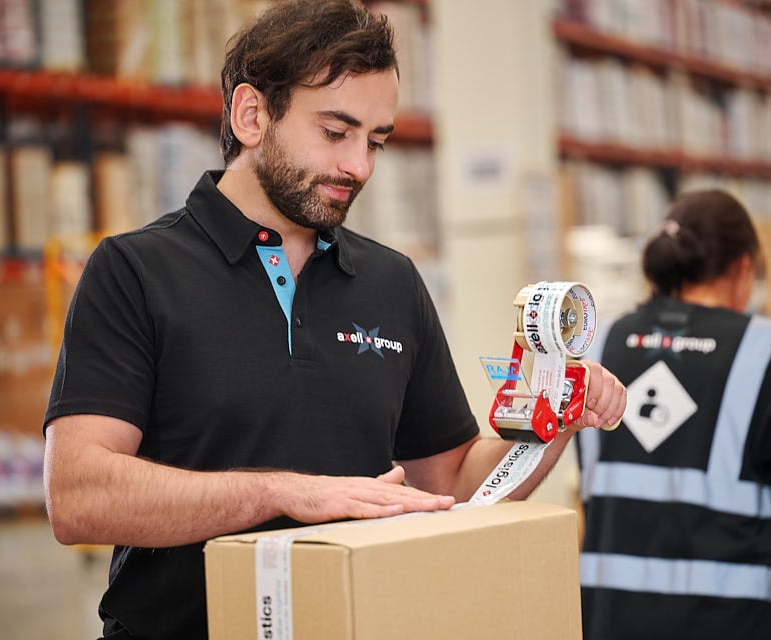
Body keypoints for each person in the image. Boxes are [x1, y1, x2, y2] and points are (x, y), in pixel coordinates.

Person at [41, 2, 627, 639]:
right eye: (335, 132)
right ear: (251, 115)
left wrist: (554, 416)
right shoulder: (134, 271)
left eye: (375, 140)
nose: (360, 167)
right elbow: (78, 495)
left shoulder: (392, 282)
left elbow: (452, 483)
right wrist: (281, 493)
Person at [575, 189, 771, 639]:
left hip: (608, 622)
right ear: (743, 268)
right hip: (727, 624)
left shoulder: (600, 346)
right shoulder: (765, 354)